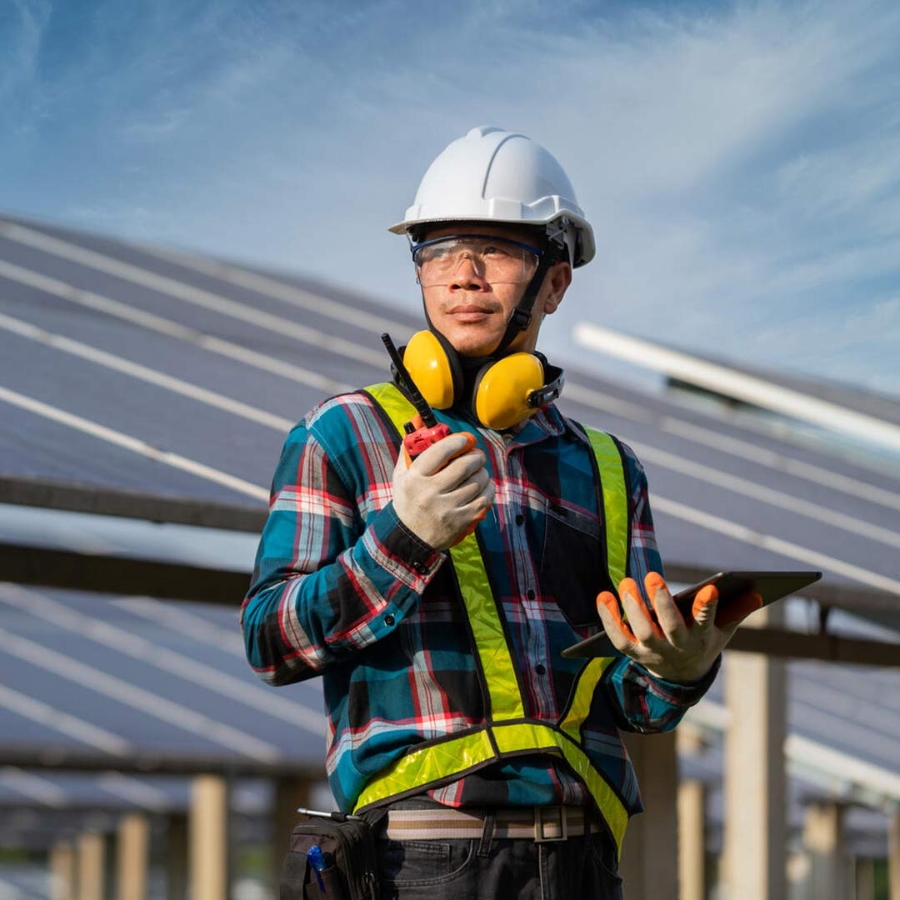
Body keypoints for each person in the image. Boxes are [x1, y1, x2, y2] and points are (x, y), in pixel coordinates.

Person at [241, 126, 758, 899]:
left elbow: (628, 699)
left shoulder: (609, 470)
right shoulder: (345, 433)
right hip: (420, 860)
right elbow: (272, 641)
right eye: (440, 251)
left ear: (555, 284)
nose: (464, 277)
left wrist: (677, 671)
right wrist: (403, 539)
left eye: (499, 252)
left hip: (586, 857)